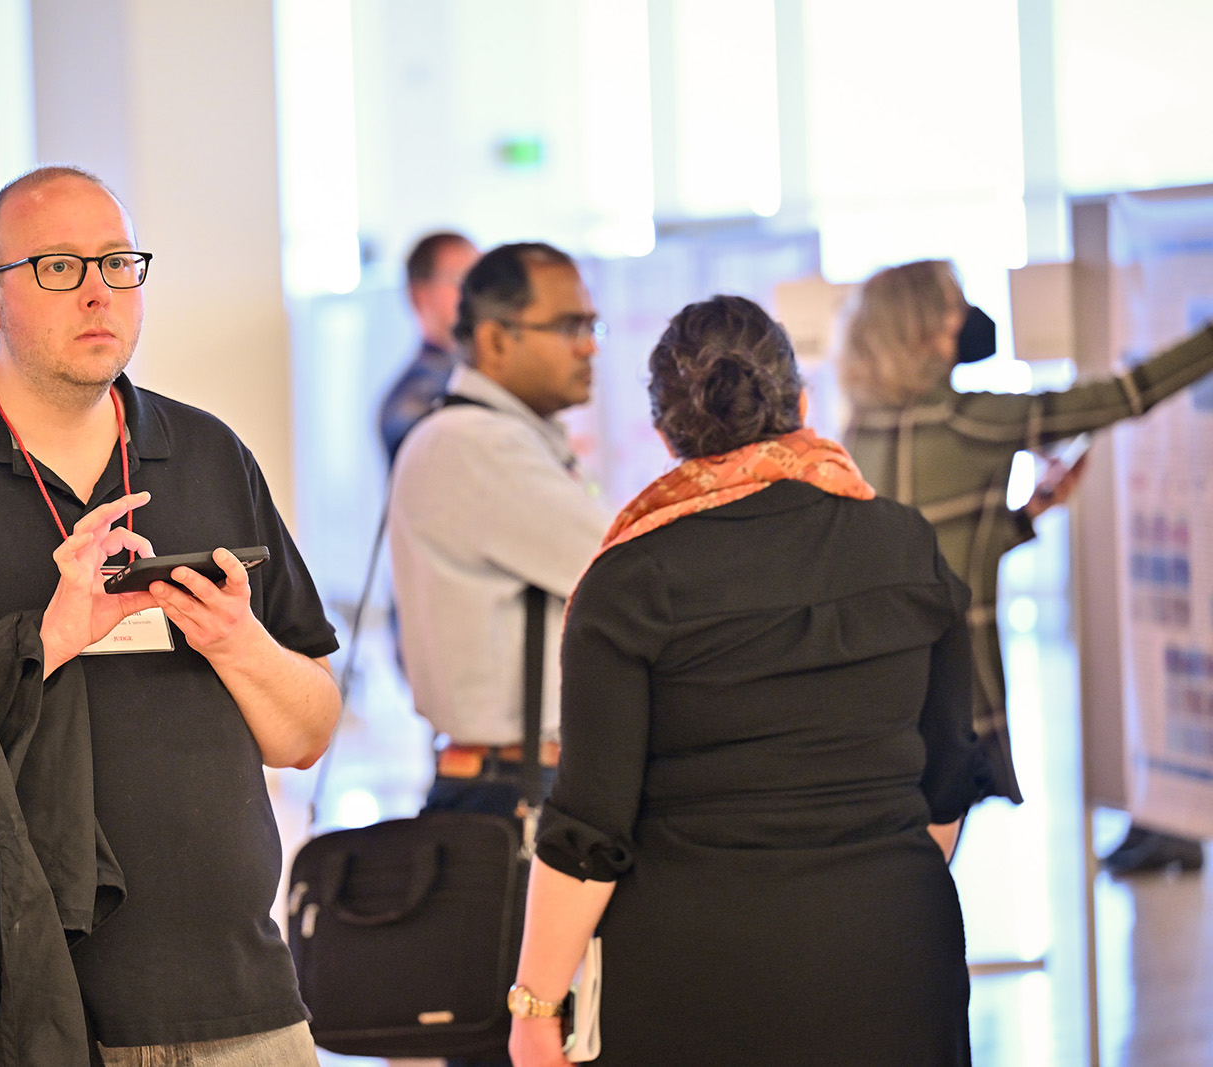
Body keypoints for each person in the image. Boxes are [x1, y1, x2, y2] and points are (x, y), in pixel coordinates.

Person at [0, 166, 340, 1065]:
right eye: (57, 266)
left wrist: (240, 643)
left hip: (236, 1000)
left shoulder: (209, 452)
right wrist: (42, 640)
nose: (97, 291)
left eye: (119, 263)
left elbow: (306, 731)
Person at [509, 295, 983, 1067]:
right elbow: (948, 777)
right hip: (898, 953)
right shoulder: (906, 544)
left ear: (667, 434)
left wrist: (534, 1006)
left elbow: (590, 828)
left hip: (701, 976)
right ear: (802, 404)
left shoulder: (630, 579)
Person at [841, 259, 1213, 870]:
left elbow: (927, 553)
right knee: (928, 870)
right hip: (949, 698)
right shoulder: (965, 420)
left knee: (904, 871)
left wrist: (1024, 514)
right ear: (923, 329)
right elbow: (1126, 396)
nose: (968, 317)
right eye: (954, 306)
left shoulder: (861, 431)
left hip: (877, 696)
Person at [388, 241, 607, 826]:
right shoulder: (477, 444)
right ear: (495, 340)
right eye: (568, 326)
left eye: (591, 325)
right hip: (512, 789)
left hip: (513, 779)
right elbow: (625, 571)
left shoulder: (499, 437)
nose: (588, 346)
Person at [378, 231, 481, 463]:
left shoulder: (475, 372)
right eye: (463, 281)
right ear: (420, 296)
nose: (478, 296)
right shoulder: (411, 400)